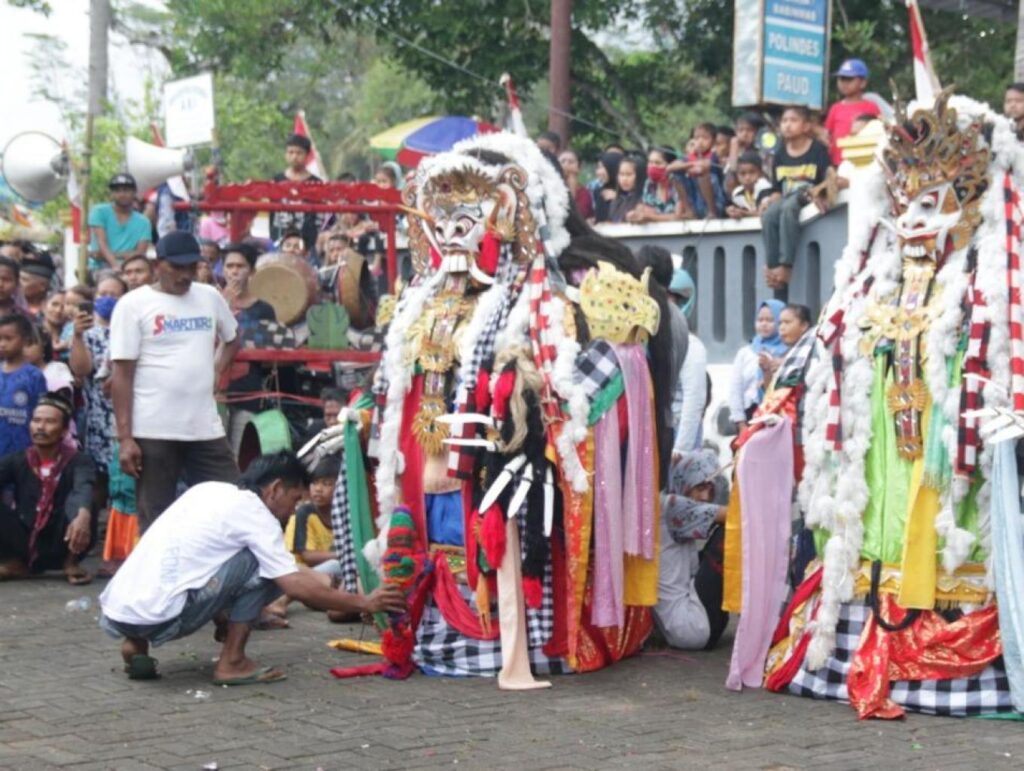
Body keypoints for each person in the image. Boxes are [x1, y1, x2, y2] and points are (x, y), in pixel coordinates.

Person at [98, 451, 406, 683]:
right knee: (270, 568)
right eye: (295, 498)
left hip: (118, 612)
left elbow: (199, 564)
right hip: (164, 616)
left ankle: (135, 646)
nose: (295, 508)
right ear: (274, 490)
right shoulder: (256, 515)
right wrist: (364, 601)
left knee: (244, 561)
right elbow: (295, 585)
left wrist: (223, 616)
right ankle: (231, 661)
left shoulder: (206, 491)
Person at [110, 232, 241, 530]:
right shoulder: (133, 305)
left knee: (232, 502)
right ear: (158, 266)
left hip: (204, 427)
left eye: (191, 268)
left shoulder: (209, 296)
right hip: (154, 428)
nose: (185, 275)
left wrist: (216, 370)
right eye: (177, 268)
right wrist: (126, 438)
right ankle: (155, 576)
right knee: (156, 517)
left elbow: (232, 339)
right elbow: (122, 374)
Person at [0, 392, 95, 584]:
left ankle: (70, 562)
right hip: (24, 540)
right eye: (36, 421)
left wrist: (83, 515)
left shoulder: (78, 461)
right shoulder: (18, 460)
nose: (41, 427)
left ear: (64, 429)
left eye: (50, 422)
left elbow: (83, 487)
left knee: (83, 504)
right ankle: (15, 563)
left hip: (63, 539)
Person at [654, 449, 728, 650]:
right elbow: (735, 516)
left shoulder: (670, 504)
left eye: (710, 488)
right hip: (691, 625)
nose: (705, 496)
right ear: (683, 482)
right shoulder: (671, 506)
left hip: (701, 622)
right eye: (700, 487)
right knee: (729, 533)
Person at [69, 273, 127, 511]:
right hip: (98, 420)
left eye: (114, 294)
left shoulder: (131, 330)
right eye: (103, 294)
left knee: (124, 479)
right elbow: (81, 370)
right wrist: (78, 336)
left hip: (127, 416)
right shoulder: (88, 335)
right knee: (98, 480)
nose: (108, 299)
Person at [759, 106, 832, 289]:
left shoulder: (817, 150)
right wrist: (768, 200)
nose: (787, 125)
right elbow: (777, 189)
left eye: (793, 120)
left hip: (808, 194)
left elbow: (826, 179)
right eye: (784, 121)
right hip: (786, 196)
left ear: (806, 126)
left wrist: (821, 194)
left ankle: (786, 265)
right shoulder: (780, 154)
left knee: (789, 208)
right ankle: (773, 266)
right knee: (769, 215)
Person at [264, 456, 342, 621]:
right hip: (295, 571)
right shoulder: (305, 512)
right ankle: (282, 599)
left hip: (322, 576)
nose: (318, 489)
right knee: (337, 564)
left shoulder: (341, 516)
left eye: (326, 484)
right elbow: (308, 556)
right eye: (315, 483)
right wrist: (342, 555)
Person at [221, 242, 277, 454]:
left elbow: (270, 351)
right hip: (216, 392)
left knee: (240, 454)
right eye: (229, 266)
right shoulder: (212, 301)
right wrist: (224, 303)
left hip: (249, 392)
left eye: (240, 266)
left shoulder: (263, 309)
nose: (234, 271)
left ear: (251, 271)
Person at [728, 299, 789, 434]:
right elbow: (736, 390)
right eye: (760, 320)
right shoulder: (745, 353)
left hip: (778, 415)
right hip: (749, 416)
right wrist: (740, 423)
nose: (764, 324)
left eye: (770, 320)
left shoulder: (789, 353)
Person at [0, 314, 47, 457]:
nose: (2, 344)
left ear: (25, 340)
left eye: (8, 339)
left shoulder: (34, 376)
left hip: (22, 454)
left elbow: (40, 414)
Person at [88, 173, 152, 275]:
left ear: (134, 192)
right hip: (100, 267)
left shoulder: (143, 222)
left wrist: (115, 257)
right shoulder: (99, 211)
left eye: (126, 190)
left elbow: (140, 254)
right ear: (112, 194)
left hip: (131, 268)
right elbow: (102, 244)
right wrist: (116, 266)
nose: (122, 194)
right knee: (110, 279)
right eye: (117, 191)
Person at [269, 134, 322, 252]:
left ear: (307, 155)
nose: (294, 156)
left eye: (299, 153)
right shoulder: (277, 180)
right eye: (290, 152)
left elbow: (319, 217)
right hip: (280, 239)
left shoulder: (316, 183)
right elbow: (272, 213)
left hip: (307, 243)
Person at [823, 58, 881, 166]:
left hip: (863, 161)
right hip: (838, 162)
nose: (844, 83)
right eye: (841, 79)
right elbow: (827, 134)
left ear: (863, 83)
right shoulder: (835, 108)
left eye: (849, 79)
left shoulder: (871, 107)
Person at [668, 123, 724, 219]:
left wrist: (688, 167)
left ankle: (712, 212)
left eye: (705, 138)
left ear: (713, 141)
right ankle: (689, 211)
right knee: (675, 175)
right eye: (697, 138)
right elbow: (669, 168)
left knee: (703, 176)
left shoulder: (714, 155)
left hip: (714, 202)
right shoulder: (690, 157)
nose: (700, 142)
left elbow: (701, 169)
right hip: (696, 200)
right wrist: (690, 164)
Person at [628, 147, 690, 223]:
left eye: (658, 163)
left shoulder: (678, 184)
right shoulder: (649, 184)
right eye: (650, 162)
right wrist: (636, 214)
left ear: (670, 165)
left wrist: (651, 217)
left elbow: (678, 216)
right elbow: (644, 207)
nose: (653, 167)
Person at [725, 151, 773, 219]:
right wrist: (732, 211)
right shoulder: (737, 193)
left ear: (761, 173)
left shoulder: (765, 187)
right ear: (737, 175)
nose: (747, 178)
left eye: (752, 172)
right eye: (743, 173)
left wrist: (743, 213)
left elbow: (763, 214)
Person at [607, 155, 646, 224]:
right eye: (621, 174)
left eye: (629, 174)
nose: (624, 179)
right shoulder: (616, 201)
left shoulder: (645, 200)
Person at [558, 149, 594, 220]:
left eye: (571, 162)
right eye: (562, 161)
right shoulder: (551, 190)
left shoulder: (584, 193)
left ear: (579, 168)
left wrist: (572, 187)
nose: (566, 165)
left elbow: (577, 217)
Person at [19, 253, 55, 318]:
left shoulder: (55, 308)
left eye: (24, 280)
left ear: (42, 286)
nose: (19, 283)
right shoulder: (12, 306)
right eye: (19, 279)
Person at [592, 150, 623, 223]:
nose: (598, 172)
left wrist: (618, 199)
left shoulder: (628, 192)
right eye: (597, 168)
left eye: (601, 167)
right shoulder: (598, 192)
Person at [40, 291, 67, 361]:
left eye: (64, 307)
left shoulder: (71, 335)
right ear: (43, 306)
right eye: (54, 304)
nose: (58, 310)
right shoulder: (33, 333)